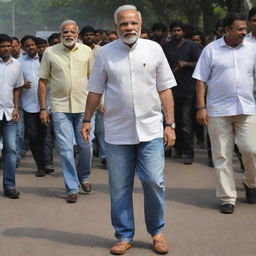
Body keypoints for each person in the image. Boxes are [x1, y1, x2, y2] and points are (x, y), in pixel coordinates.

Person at [81, 5, 176, 255]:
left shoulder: (154, 49)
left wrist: (170, 124)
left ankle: (156, 232)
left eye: (133, 23)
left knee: (154, 181)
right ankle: (123, 235)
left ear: (140, 25)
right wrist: (87, 119)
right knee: (120, 186)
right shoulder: (105, 54)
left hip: (151, 130)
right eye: (124, 24)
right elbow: (95, 89)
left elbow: (165, 88)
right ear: (116, 27)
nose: (129, 28)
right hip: (117, 132)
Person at [193, 12, 256, 214]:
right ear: (227, 30)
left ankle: (250, 182)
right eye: (239, 29)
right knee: (222, 155)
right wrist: (201, 107)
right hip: (218, 110)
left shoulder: (252, 50)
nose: (244, 32)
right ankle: (227, 197)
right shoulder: (211, 50)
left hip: (247, 108)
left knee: (251, 150)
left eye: (245, 29)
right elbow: (201, 80)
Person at [38, 20, 94, 203]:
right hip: (60, 107)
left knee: (85, 146)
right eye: (65, 32)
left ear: (77, 34)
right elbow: (43, 81)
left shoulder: (87, 51)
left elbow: (93, 79)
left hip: (84, 107)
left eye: (72, 32)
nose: (69, 34)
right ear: (60, 34)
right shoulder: (50, 52)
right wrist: (43, 108)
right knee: (65, 149)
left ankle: (83, 176)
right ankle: (72, 187)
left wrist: (99, 102)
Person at [163, 20, 199, 164]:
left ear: (183, 32)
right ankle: (177, 150)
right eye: (174, 30)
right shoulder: (166, 47)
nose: (177, 33)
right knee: (174, 121)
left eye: (179, 30)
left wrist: (186, 64)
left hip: (188, 89)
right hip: (171, 90)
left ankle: (189, 153)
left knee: (186, 122)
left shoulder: (191, 46)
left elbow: (199, 63)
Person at [19, 35, 54, 177]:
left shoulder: (46, 60)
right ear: (23, 48)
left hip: (46, 105)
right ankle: (40, 165)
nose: (31, 47)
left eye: (33, 44)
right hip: (28, 105)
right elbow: (13, 81)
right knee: (33, 137)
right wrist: (21, 83)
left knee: (46, 137)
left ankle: (47, 163)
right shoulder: (19, 62)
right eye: (27, 46)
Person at [0, 33, 24, 199]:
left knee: (11, 149)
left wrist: (16, 108)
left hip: (9, 114)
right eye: (3, 46)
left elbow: (17, 87)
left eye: (8, 45)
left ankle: (9, 186)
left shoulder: (17, 65)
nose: (6, 48)